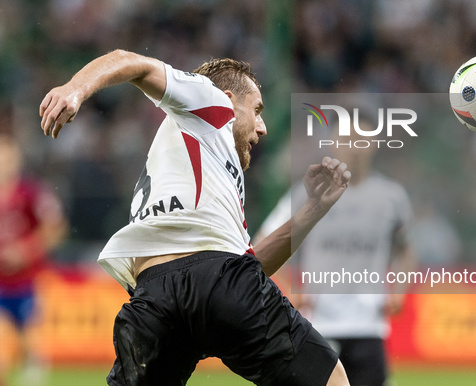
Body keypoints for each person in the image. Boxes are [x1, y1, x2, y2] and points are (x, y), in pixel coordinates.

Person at [39, 49, 351, 386]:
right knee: (328, 378)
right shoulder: (211, 101)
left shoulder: (191, 168)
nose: (262, 128)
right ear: (229, 99)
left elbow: (251, 264)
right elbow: (132, 62)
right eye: (257, 110)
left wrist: (312, 210)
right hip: (216, 282)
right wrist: (76, 88)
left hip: (154, 302)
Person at [256, 116, 416, 386]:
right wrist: (289, 289)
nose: (353, 146)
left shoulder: (391, 196)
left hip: (368, 325)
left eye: (360, 139)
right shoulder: (307, 193)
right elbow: (263, 240)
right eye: (345, 139)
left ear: (374, 143)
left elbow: (406, 249)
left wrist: (399, 288)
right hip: (318, 325)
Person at [0, 133, 68, 386]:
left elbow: (56, 229)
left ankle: (34, 364)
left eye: (6, 157)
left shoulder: (30, 192)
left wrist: (24, 251)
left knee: (29, 343)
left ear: (16, 159)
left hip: (27, 281)